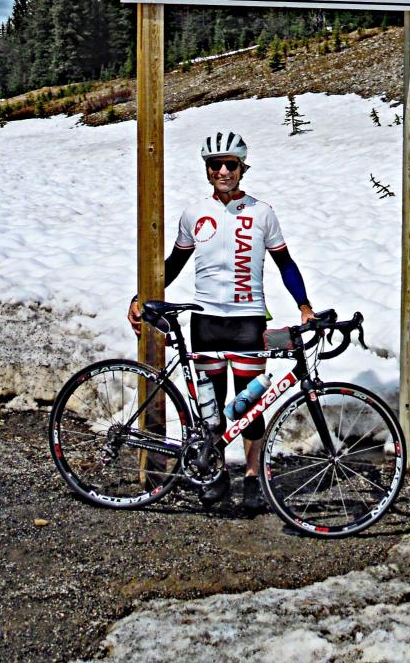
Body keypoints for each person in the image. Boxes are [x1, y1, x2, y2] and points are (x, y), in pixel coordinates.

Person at [128, 131, 314, 512]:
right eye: (216, 165)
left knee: (250, 406)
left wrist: (304, 305)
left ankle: (252, 477)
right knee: (211, 408)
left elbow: (285, 263)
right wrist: (141, 295)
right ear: (207, 170)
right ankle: (216, 473)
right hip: (206, 320)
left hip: (247, 319)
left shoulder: (262, 212)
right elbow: (173, 264)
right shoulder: (194, 214)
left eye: (231, 164)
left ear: (242, 168)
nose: (224, 171)